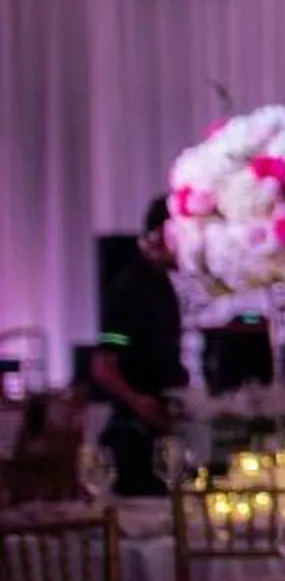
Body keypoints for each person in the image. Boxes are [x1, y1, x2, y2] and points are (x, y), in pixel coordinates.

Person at [88, 197, 187, 496]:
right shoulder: (130, 287)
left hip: (156, 428)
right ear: (161, 236)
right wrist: (139, 402)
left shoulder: (161, 283)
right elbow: (103, 364)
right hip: (132, 435)